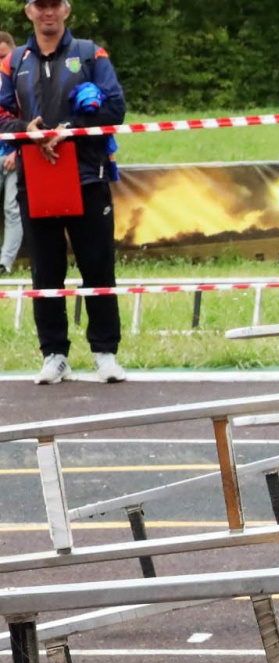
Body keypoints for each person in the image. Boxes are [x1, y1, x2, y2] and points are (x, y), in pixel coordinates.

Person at [0, 0, 123, 384]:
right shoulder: (12, 61)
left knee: (98, 267)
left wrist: (70, 127)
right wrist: (29, 131)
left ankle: (105, 354)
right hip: (36, 181)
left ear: (66, 10)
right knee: (45, 273)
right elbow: (1, 115)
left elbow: (115, 107)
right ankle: (54, 355)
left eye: (55, 5)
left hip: (88, 176)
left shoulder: (91, 53)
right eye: (41, 5)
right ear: (29, 12)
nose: (48, 12)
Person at [0, 30, 19, 275]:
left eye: (3, 56)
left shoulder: (23, 81)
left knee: (12, 209)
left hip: (16, 155)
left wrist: (19, 153)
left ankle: (4, 263)